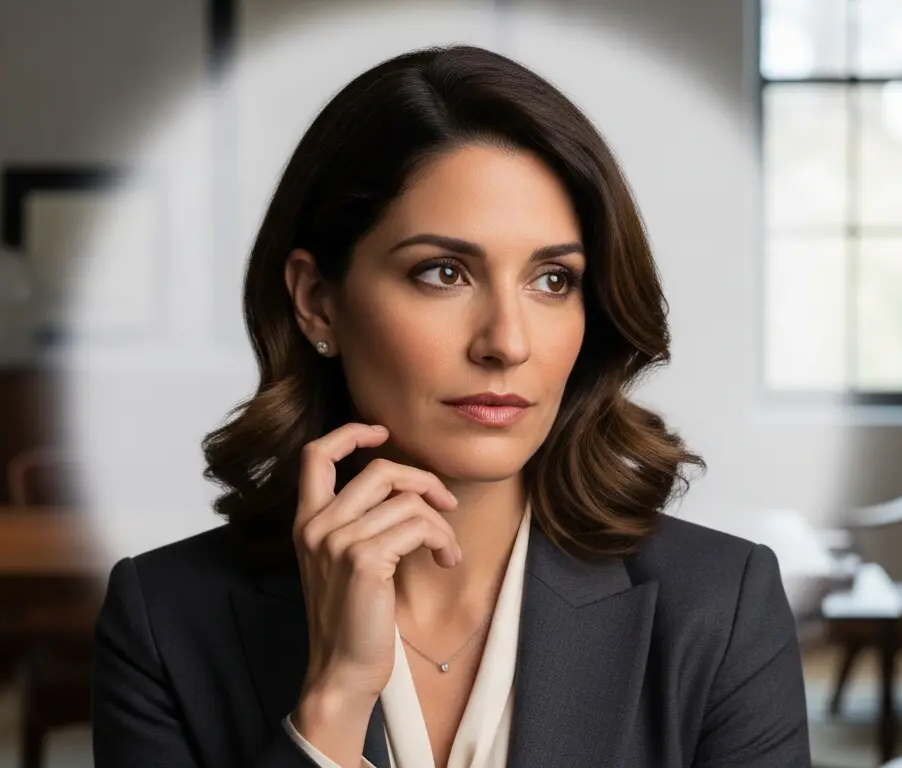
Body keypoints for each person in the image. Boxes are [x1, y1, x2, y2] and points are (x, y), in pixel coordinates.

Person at [92, 44, 810, 768]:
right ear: (317, 302)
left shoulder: (720, 607)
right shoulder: (164, 621)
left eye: (552, 280)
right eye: (444, 272)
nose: (507, 342)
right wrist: (334, 700)